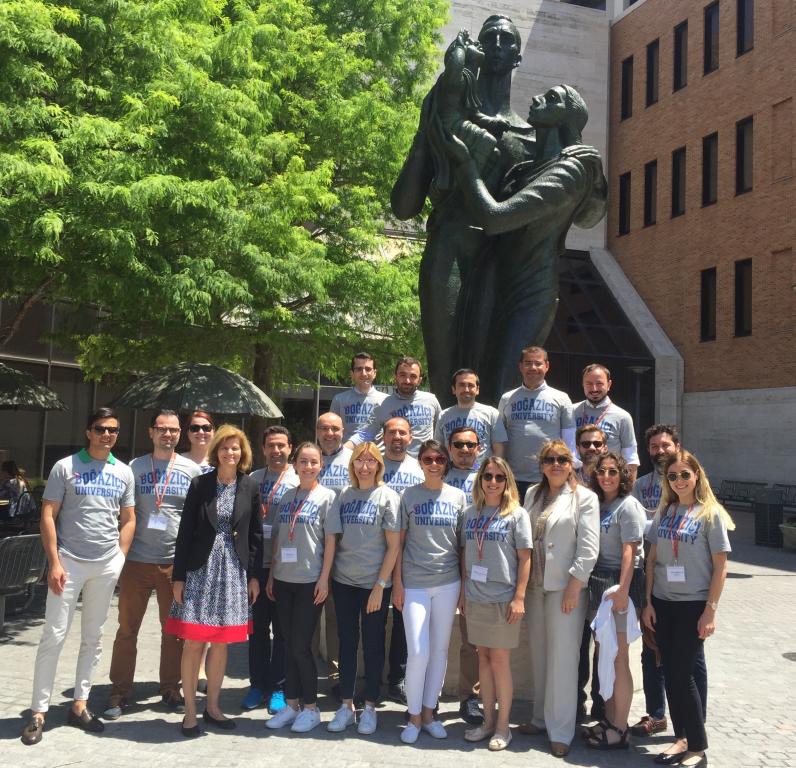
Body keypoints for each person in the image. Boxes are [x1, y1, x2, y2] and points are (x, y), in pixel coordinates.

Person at [444, 85, 607, 400]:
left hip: (529, 289)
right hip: (496, 279)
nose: (536, 99)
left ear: (567, 118)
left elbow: (495, 218)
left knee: (502, 383)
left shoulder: (569, 170)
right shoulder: (525, 168)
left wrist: (465, 163)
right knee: (475, 370)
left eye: (551, 99)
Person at [21, 407, 135, 746]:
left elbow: (129, 518)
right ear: (88, 432)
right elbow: (48, 514)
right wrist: (54, 562)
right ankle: (38, 712)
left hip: (106, 564)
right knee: (53, 636)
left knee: (93, 638)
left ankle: (80, 705)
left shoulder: (123, 471)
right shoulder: (65, 467)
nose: (107, 434)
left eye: (113, 430)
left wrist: (120, 557)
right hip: (68, 563)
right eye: (100, 428)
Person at [166, 425, 262, 737]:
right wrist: (179, 576)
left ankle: (213, 707)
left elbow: (255, 536)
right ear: (216, 451)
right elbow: (185, 532)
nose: (230, 453)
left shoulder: (250, 486)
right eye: (224, 447)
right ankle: (190, 712)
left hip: (233, 571)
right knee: (194, 642)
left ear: (242, 452)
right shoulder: (200, 484)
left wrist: (255, 577)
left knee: (221, 643)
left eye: (235, 448)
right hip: (200, 571)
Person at [104, 410, 201, 720]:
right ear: (151, 432)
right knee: (126, 629)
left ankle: (170, 688)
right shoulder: (134, 467)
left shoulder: (191, 470)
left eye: (173, 430)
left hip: (173, 564)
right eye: (161, 429)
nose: (167, 434)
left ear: (180, 434)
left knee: (172, 631)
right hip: (136, 561)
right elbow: (123, 512)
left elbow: (197, 518)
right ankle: (120, 691)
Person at [642, 450, 734, 768]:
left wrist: (710, 611)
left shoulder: (710, 514)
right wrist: (648, 602)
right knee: (670, 673)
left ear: (697, 475)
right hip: (663, 603)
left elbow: (721, 567)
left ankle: (697, 746)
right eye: (673, 476)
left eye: (685, 474)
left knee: (682, 675)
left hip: (693, 605)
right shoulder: (665, 512)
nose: (679, 480)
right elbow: (652, 560)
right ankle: (681, 738)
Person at [522, 439, 599, 758]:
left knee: (564, 660)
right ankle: (540, 718)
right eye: (550, 459)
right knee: (540, 655)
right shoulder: (531, 494)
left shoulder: (585, 498)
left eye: (563, 459)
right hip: (534, 587)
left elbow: (589, 548)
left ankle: (562, 731)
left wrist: (574, 586)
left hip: (566, 589)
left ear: (571, 465)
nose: (556, 464)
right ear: (541, 465)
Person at [631, 425, 708, 739]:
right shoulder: (640, 486)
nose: (659, 451)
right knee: (651, 648)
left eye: (665, 445)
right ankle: (656, 715)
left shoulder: (691, 482)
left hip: (688, 583)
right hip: (652, 571)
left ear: (677, 446)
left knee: (691, 657)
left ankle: (695, 719)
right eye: (654, 446)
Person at [325, 442, 401, 735]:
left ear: (379, 465)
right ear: (352, 464)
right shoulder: (343, 495)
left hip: (374, 585)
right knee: (346, 643)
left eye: (371, 461)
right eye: (360, 460)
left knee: (372, 644)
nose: (364, 466)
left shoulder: (388, 496)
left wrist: (381, 585)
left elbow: (393, 546)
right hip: (344, 581)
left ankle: (370, 707)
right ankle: (346, 706)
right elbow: (335, 540)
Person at [393, 440, 466, 744]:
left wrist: (463, 587)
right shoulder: (408, 495)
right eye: (428, 459)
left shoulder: (459, 497)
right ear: (420, 462)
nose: (434, 464)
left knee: (439, 651)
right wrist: (397, 583)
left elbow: (462, 546)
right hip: (415, 583)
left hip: (448, 582)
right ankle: (412, 716)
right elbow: (398, 543)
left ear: (446, 463)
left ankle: (428, 713)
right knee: (418, 652)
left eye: (439, 459)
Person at [265, 442, 337, 733]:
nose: (308, 467)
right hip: (283, 580)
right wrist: (272, 576)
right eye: (303, 462)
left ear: (321, 466)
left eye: (313, 462)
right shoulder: (286, 496)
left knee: (301, 646)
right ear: (295, 465)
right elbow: (279, 538)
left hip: (309, 582)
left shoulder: (327, 497)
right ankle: (291, 705)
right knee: (285, 644)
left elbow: (330, 542)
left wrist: (324, 579)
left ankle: (311, 708)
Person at [461, 457, 531, 751]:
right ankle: (488, 722)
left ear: (507, 482)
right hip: (475, 598)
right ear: (480, 480)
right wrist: (463, 593)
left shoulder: (516, 515)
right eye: (487, 476)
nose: (492, 482)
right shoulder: (469, 513)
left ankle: (503, 727)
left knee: (499, 662)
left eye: (499, 477)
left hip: (503, 599)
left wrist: (519, 597)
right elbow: (464, 555)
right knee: (484, 661)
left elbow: (525, 558)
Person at [583, 453, 646, 750]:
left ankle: (620, 727)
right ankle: (609, 719)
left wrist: (623, 590)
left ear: (622, 475)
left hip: (620, 583)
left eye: (612, 471)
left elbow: (630, 551)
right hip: (599, 582)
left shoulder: (628, 505)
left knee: (620, 657)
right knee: (605, 655)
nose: (606, 476)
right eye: (602, 471)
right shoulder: (600, 504)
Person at [243, 426, 298, 713]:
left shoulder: (298, 480)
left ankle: (279, 686)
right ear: (263, 449)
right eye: (271, 446)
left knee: (283, 631)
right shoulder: (252, 479)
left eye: (281, 445)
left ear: (290, 448)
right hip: (256, 566)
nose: (276, 451)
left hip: (286, 568)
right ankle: (257, 685)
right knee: (257, 630)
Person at [379, 416, 423, 705]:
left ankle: (398, 678)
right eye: (392, 432)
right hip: (375, 551)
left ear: (410, 437)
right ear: (383, 436)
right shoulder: (375, 465)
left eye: (402, 432)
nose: (397, 437)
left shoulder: (419, 468)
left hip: (407, 553)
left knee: (402, 618)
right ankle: (369, 680)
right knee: (373, 619)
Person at [497, 346, 577, 501]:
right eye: (528, 363)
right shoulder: (507, 399)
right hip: (512, 478)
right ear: (520, 366)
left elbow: (570, 443)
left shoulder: (561, 398)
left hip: (548, 478)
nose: (533, 368)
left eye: (538, 363)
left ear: (547, 366)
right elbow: (500, 439)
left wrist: (568, 474)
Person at [444, 425, 484, 725]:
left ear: (479, 448)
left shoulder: (490, 477)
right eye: (458, 444)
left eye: (470, 445)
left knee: (473, 640)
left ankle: (470, 697)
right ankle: (423, 695)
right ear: (449, 448)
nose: (465, 449)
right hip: (442, 566)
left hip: (476, 565)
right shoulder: (438, 473)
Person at [574, 423, 608, 721]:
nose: (592, 448)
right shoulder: (569, 477)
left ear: (605, 446)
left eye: (597, 444)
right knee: (578, 641)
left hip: (605, 573)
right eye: (586, 444)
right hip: (576, 570)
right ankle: (575, 701)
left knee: (603, 643)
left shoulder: (610, 478)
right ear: (578, 447)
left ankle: (601, 702)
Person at [316, 412, 350, 695]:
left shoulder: (352, 461)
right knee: (306, 614)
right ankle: (303, 674)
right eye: (324, 428)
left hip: (343, 546)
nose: (330, 434)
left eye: (335, 429)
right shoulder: (307, 458)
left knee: (336, 615)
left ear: (343, 431)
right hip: (309, 544)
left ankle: (337, 676)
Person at [347, 357, 441, 457]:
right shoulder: (383, 405)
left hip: (426, 463)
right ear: (395, 377)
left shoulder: (431, 400)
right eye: (402, 375)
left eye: (413, 376)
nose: (407, 380)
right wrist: (342, 450)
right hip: (394, 464)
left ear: (419, 380)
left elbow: (441, 431)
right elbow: (365, 434)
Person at [574, 364, 640, 481]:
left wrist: (628, 489)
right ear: (582, 385)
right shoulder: (570, 412)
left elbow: (631, 459)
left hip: (608, 483)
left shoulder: (623, 417)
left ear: (609, 384)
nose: (594, 388)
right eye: (589, 384)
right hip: (576, 482)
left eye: (599, 383)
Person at [434, 369, 507, 462]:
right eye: (461, 385)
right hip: (451, 470)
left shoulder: (492, 414)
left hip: (481, 470)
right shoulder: (443, 415)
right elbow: (439, 448)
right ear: (453, 389)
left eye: (471, 385)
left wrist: (491, 469)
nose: (466, 389)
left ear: (477, 389)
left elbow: (499, 450)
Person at [330, 353, 388, 441]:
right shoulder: (339, 400)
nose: (364, 373)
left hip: (376, 450)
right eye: (359, 369)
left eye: (368, 369)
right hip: (347, 449)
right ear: (352, 374)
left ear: (374, 373)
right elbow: (331, 430)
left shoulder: (386, 401)